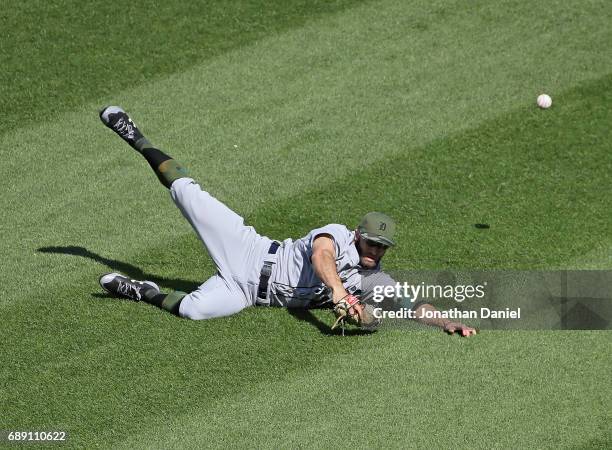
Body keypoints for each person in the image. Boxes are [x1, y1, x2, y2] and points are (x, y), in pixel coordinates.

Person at [98, 106, 477, 336]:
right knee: (186, 192)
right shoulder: (337, 236)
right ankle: (134, 135)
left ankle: (141, 291)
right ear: (359, 236)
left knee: (195, 310)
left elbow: (411, 306)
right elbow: (321, 259)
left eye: (382, 248)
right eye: (372, 243)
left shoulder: (374, 279)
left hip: (248, 294)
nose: (376, 252)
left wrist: (445, 323)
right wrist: (340, 295)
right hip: (248, 250)